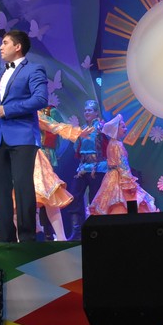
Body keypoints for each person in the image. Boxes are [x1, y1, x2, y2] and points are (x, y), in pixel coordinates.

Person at [0, 111, 91, 240]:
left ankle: (61, 237)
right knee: (14, 199)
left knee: (50, 195)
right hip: (12, 158)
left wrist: (77, 132)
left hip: (33, 157)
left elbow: (52, 125)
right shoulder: (5, 112)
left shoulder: (30, 111)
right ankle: (19, 239)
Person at [0, 29, 49, 242]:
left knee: (23, 186)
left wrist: (8, 109)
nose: (1, 47)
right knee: (1, 189)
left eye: (5, 43)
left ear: (18, 46)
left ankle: (27, 238)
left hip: (23, 136)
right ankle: (6, 239)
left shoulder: (34, 69)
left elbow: (40, 99)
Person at [88, 114, 157, 216]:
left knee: (110, 200)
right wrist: (129, 182)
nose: (126, 129)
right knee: (125, 201)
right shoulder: (117, 145)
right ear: (116, 129)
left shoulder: (112, 143)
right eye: (123, 127)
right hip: (119, 176)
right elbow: (123, 165)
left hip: (111, 176)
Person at [69, 100, 107, 238]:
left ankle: (96, 230)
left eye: (90, 110)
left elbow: (111, 141)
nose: (86, 112)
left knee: (94, 198)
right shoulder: (83, 129)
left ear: (96, 112)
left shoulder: (101, 127)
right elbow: (77, 149)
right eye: (85, 110)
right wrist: (78, 136)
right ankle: (76, 231)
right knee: (74, 196)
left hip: (98, 168)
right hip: (83, 167)